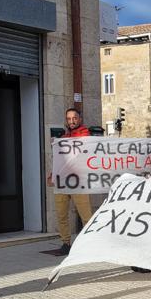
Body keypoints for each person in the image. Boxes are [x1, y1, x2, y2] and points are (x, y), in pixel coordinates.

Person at [48, 108, 93, 255]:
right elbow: (60, 160)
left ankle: (91, 244)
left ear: (79, 119)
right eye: (68, 118)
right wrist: (52, 174)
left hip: (79, 181)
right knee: (61, 214)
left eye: (74, 118)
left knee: (85, 215)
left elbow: (82, 148)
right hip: (62, 180)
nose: (71, 121)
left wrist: (60, 142)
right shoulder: (65, 136)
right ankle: (65, 243)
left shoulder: (85, 133)